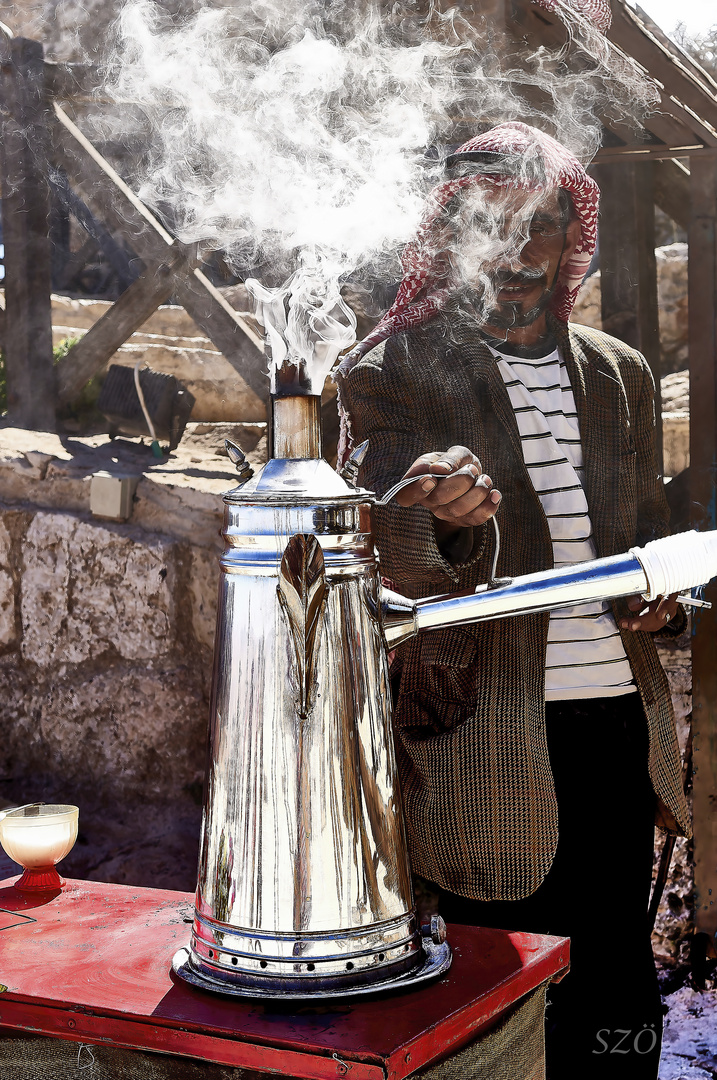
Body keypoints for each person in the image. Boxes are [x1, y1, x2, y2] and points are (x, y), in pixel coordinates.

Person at [336, 122, 690, 1079]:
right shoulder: (393, 368)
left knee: (613, 973)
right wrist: (427, 508)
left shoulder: (618, 374)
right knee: (491, 986)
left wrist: (666, 604)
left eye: (539, 226)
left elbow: (648, 536)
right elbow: (378, 531)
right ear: (448, 236)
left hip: (618, 723)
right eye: (491, 226)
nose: (519, 253)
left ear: (570, 236)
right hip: (477, 734)